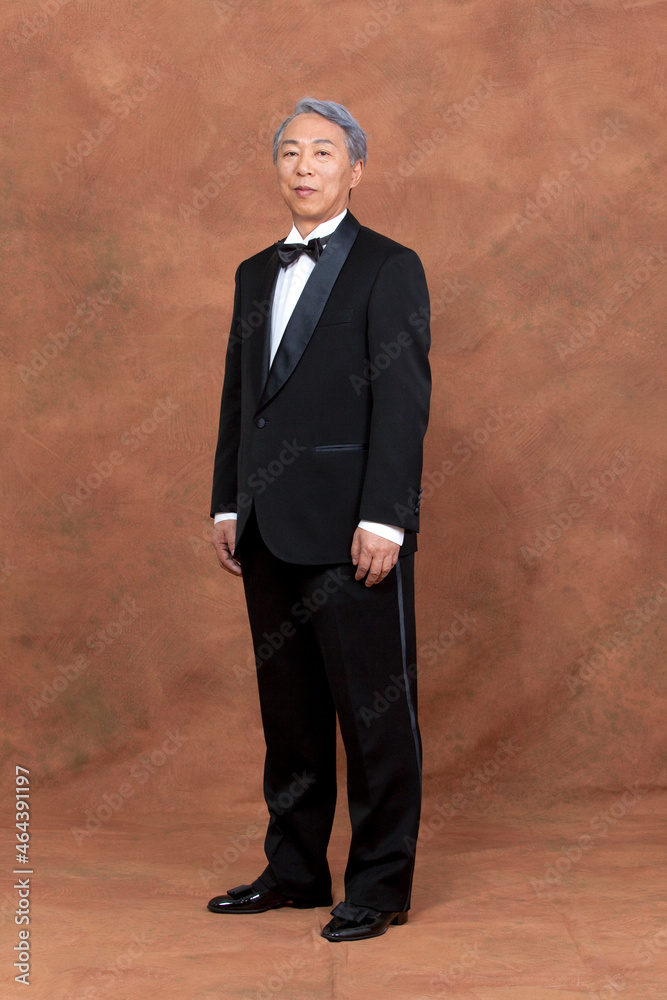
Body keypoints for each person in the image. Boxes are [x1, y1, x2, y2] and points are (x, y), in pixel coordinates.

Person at [207, 97, 431, 942]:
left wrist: (386, 519)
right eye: (291, 152)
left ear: (355, 169)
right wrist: (229, 500)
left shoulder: (389, 266)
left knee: (374, 715)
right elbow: (241, 397)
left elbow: (402, 403)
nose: (304, 166)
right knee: (290, 714)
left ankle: (379, 885)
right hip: (267, 523)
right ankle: (296, 871)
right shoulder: (252, 272)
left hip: (353, 531)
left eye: (323, 152)